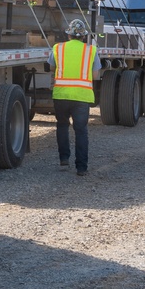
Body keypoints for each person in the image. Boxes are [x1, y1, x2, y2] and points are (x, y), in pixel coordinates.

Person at [48, 19, 100, 176]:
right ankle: (81, 167)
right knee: (81, 131)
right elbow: (96, 75)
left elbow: (52, 67)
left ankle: (64, 158)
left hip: (61, 94)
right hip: (81, 97)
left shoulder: (58, 48)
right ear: (83, 36)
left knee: (62, 125)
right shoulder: (91, 51)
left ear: (69, 35)